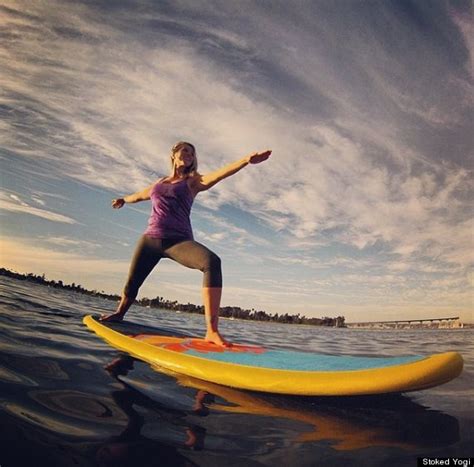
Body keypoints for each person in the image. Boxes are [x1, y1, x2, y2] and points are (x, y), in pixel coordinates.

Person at [100, 141, 271, 346]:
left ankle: (211, 331)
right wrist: (123, 200)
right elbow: (138, 195)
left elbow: (219, 174)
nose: (189, 155)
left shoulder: (193, 181)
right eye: (185, 150)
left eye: (192, 153)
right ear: (174, 154)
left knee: (211, 262)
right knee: (132, 283)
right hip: (150, 240)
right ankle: (119, 313)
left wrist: (245, 161)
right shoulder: (159, 183)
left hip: (178, 241)